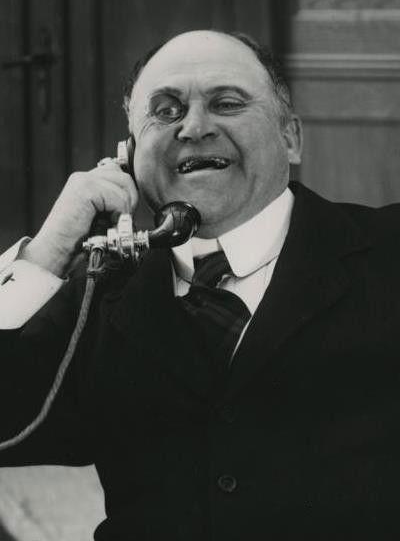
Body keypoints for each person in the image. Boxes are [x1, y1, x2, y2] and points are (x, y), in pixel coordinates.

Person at [0, 29, 400, 541]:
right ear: (128, 154)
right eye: (165, 111)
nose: (193, 127)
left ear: (290, 137)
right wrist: (48, 251)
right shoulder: (98, 293)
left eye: (227, 103)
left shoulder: (387, 253)